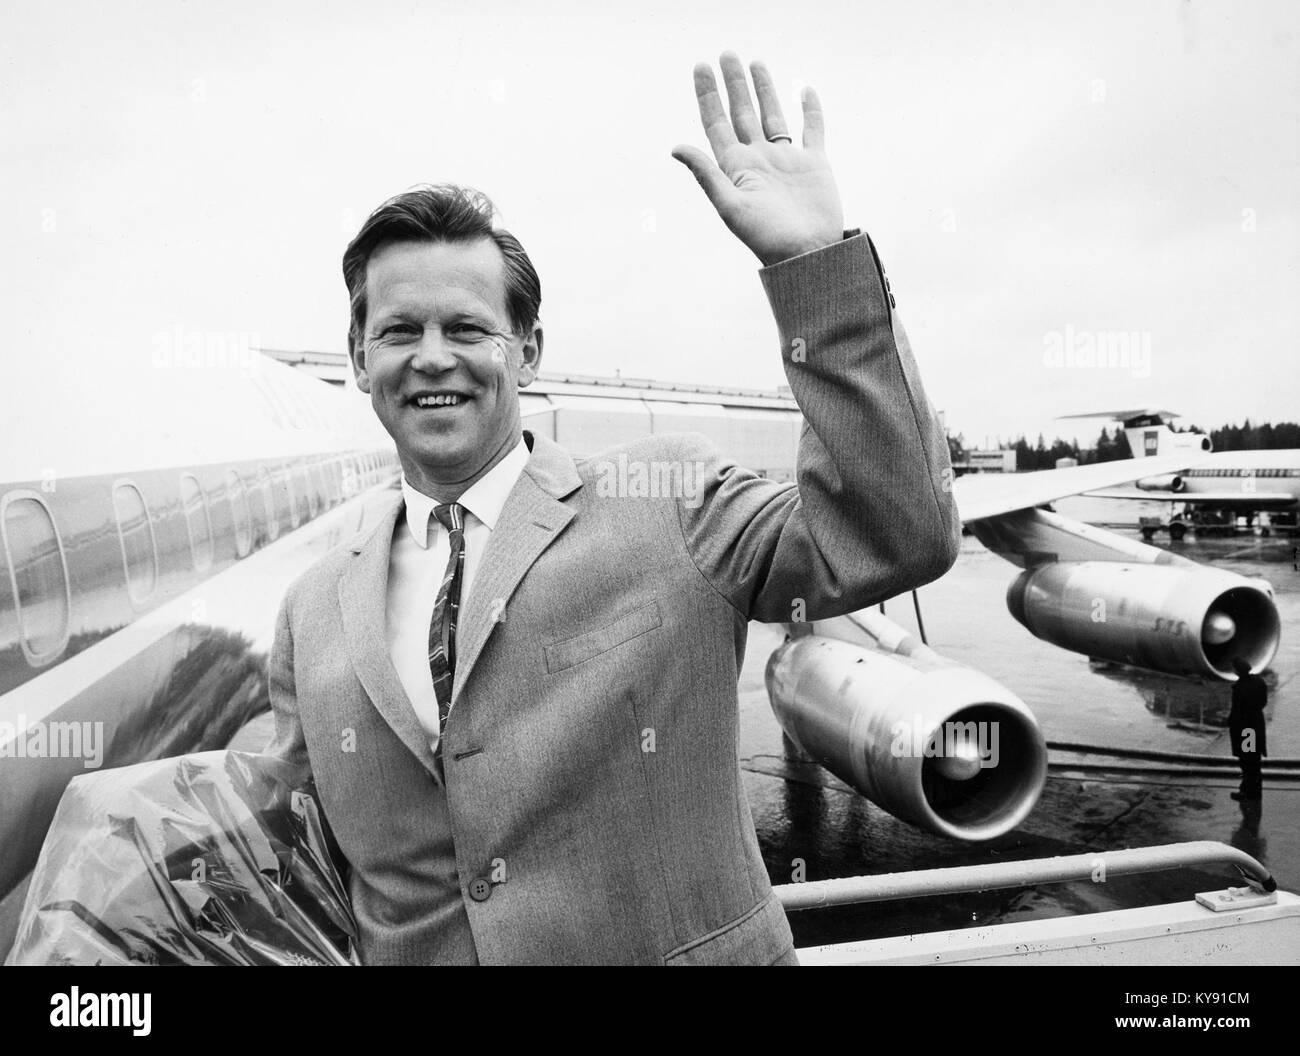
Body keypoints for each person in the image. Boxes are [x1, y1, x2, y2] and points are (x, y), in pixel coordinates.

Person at [265, 52, 961, 965]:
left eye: (468, 328)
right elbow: (289, 846)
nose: (432, 357)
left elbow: (894, 533)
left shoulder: (668, 503)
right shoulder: (310, 612)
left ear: (529, 350)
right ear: (358, 358)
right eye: (399, 331)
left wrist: (813, 267)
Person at [1228, 657, 1268, 801]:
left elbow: (1237, 710)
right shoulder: (1258, 681)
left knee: (1248, 761)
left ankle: (1249, 792)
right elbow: (1263, 702)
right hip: (1255, 724)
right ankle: (1251, 790)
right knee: (1253, 760)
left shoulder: (1241, 687)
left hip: (1246, 730)